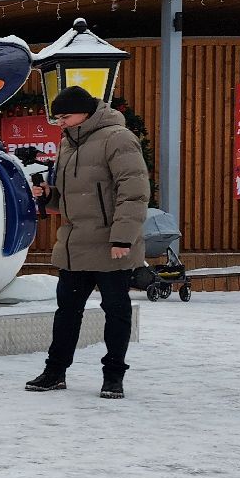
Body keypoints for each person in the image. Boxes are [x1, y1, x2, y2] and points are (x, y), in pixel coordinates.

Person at [27, 86, 149, 399]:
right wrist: (50, 196)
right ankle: (55, 372)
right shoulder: (68, 142)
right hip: (76, 242)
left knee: (116, 311)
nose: (61, 122)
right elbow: (76, 195)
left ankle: (113, 376)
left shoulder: (118, 138)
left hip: (112, 243)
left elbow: (133, 192)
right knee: (67, 311)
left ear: (85, 112)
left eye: (65, 116)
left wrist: (123, 237)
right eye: (58, 118)